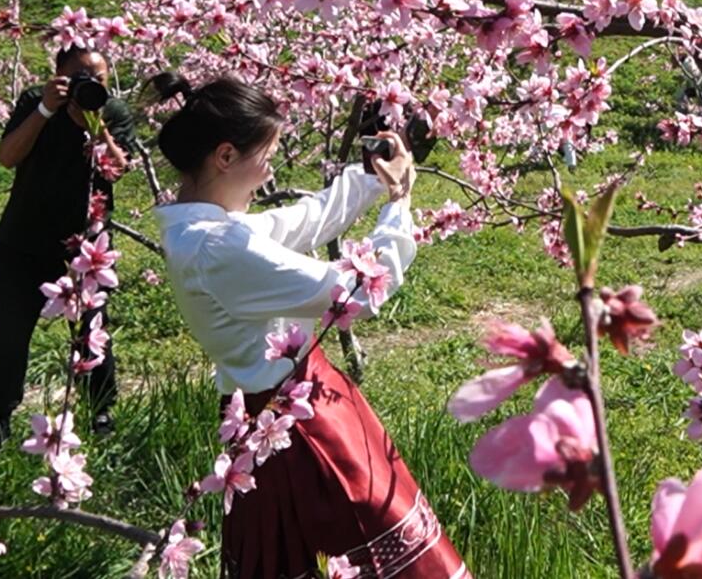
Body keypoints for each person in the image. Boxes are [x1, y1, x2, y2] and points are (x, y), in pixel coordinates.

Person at [150, 76, 469, 579]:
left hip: (274, 416)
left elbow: (306, 219)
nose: (272, 166)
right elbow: (358, 291)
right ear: (226, 156)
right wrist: (399, 204)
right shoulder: (217, 247)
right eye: (267, 153)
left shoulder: (199, 229)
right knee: (371, 551)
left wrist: (372, 176)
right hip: (302, 431)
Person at [0, 45, 135, 452]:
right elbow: (7, 157)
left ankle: (101, 411)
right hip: (23, 240)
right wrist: (46, 111)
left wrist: (97, 127)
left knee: (92, 332)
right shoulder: (35, 101)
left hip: (86, 247)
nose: (91, 85)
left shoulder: (112, 111)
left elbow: (118, 170)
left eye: (99, 77)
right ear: (58, 75)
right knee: (10, 335)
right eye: (81, 77)